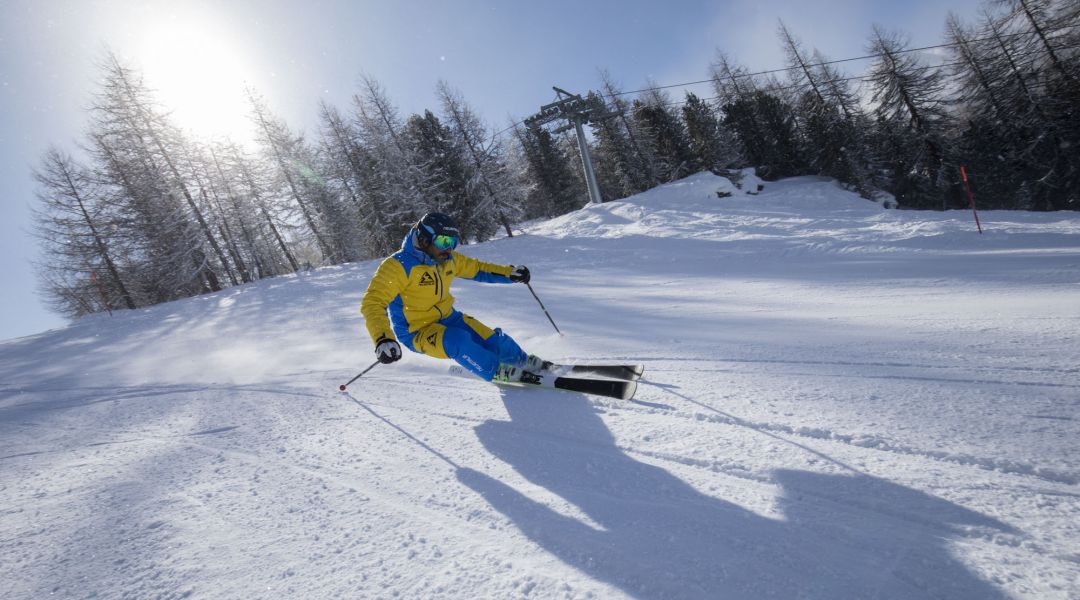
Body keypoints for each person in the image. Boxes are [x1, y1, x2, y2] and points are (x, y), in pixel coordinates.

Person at [361, 212, 546, 383]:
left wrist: (510, 274)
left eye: (453, 242)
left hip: (450, 318)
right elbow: (373, 302)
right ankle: (496, 370)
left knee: (492, 338)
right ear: (424, 239)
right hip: (417, 331)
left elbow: (478, 269)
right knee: (457, 340)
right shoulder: (397, 266)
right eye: (443, 241)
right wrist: (383, 338)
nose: (448, 248)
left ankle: (522, 362)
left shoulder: (447, 260)